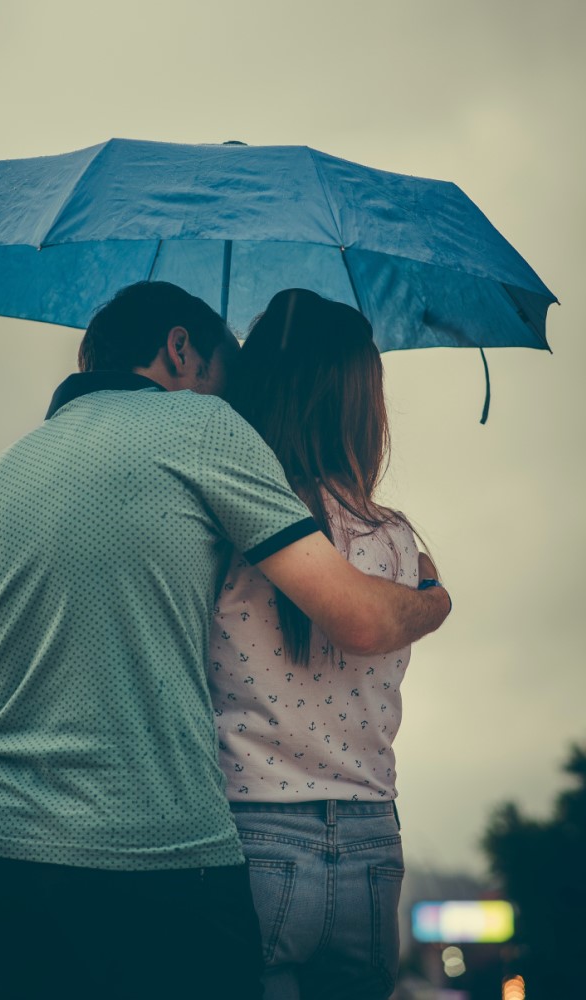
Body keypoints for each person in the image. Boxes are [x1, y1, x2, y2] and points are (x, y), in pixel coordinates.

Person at [0, 281, 450, 1000]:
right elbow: (357, 618)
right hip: (164, 861)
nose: (237, 404)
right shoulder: (204, 431)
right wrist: (432, 598)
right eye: (228, 378)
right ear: (180, 349)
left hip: (6, 864)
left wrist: (46, 789)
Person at [209, 288, 442, 1000]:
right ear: (360, 405)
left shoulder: (225, 531)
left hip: (252, 833)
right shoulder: (395, 539)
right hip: (373, 839)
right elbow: (422, 605)